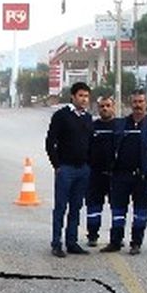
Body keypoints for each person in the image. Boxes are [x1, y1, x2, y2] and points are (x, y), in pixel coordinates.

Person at [102, 89, 147, 254]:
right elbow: (110, 148)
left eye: (141, 102)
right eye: (135, 102)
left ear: (146, 103)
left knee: (140, 213)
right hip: (121, 176)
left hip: (143, 177)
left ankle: (136, 243)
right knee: (118, 212)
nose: (138, 105)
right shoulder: (120, 124)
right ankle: (115, 242)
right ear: (131, 104)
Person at [44, 82, 94, 257]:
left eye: (86, 96)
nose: (84, 99)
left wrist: (88, 165)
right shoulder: (61, 116)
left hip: (82, 170)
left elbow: (90, 144)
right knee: (60, 207)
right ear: (73, 96)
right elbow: (50, 142)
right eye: (81, 95)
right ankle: (56, 243)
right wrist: (57, 165)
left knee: (76, 207)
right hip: (65, 169)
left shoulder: (88, 118)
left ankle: (71, 242)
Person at [85, 96, 118, 246]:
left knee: (117, 208)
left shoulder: (120, 126)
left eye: (108, 105)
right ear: (98, 108)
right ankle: (92, 235)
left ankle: (116, 238)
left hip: (115, 175)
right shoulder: (92, 127)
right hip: (95, 174)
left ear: (113, 107)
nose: (105, 108)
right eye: (102, 106)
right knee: (93, 207)